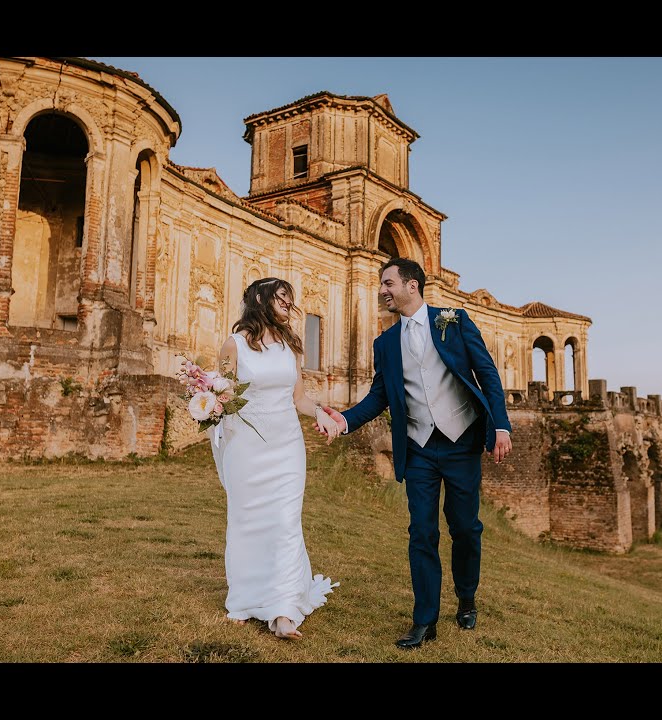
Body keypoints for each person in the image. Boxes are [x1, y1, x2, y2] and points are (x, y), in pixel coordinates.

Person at [318, 258, 512, 648]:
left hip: (461, 441)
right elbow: (379, 397)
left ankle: (467, 597)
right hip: (419, 448)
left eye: (388, 282)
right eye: (380, 284)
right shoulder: (384, 343)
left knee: (465, 529)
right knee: (421, 533)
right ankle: (425, 620)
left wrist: (501, 425)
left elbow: (487, 373)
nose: (383, 290)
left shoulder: (453, 321)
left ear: (412, 286)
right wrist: (343, 421)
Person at [210, 277, 342, 640]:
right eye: (282, 297)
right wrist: (206, 403)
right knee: (246, 520)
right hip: (246, 448)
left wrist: (321, 414)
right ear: (259, 298)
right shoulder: (233, 345)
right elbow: (220, 396)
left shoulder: (289, 348)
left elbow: (298, 398)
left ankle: (284, 610)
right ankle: (243, 599)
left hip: (286, 446)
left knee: (285, 522)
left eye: (290, 299)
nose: (288, 303)